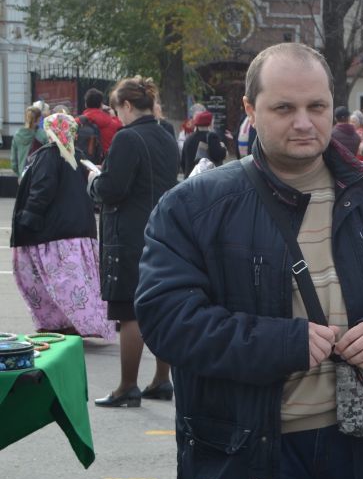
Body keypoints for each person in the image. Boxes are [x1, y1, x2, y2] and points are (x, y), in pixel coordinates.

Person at [135, 42, 363, 479]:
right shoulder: (193, 206)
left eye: (316, 106)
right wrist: (281, 344)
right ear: (250, 110)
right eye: (284, 108)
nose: (304, 122)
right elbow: (168, 319)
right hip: (249, 454)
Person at [88, 76, 179, 407]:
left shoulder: (128, 138)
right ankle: (161, 380)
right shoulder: (166, 134)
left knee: (129, 310)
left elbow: (113, 188)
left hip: (129, 233)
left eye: (116, 109)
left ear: (127, 106)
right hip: (166, 230)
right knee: (162, 305)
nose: (116, 116)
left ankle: (127, 386)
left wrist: (93, 181)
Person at [10, 113, 115, 339]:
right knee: (76, 282)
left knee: (54, 282)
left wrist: (27, 218)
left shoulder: (49, 156)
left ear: (50, 131)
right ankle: (78, 323)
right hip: (79, 232)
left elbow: (41, 190)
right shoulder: (78, 156)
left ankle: (61, 323)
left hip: (53, 234)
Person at [78, 88, 122, 166]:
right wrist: (114, 116)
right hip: (105, 165)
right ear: (101, 104)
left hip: (82, 165)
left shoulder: (77, 122)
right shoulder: (113, 123)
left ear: (85, 104)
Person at [180, 110, 224, 178]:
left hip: (189, 180)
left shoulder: (188, 139)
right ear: (210, 123)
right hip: (205, 180)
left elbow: (183, 162)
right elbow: (218, 155)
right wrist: (223, 149)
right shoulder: (212, 137)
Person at [11, 104, 46, 176]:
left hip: (23, 175)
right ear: (39, 119)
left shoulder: (17, 135)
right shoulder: (43, 135)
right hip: (39, 176)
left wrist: (19, 175)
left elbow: (14, 163)